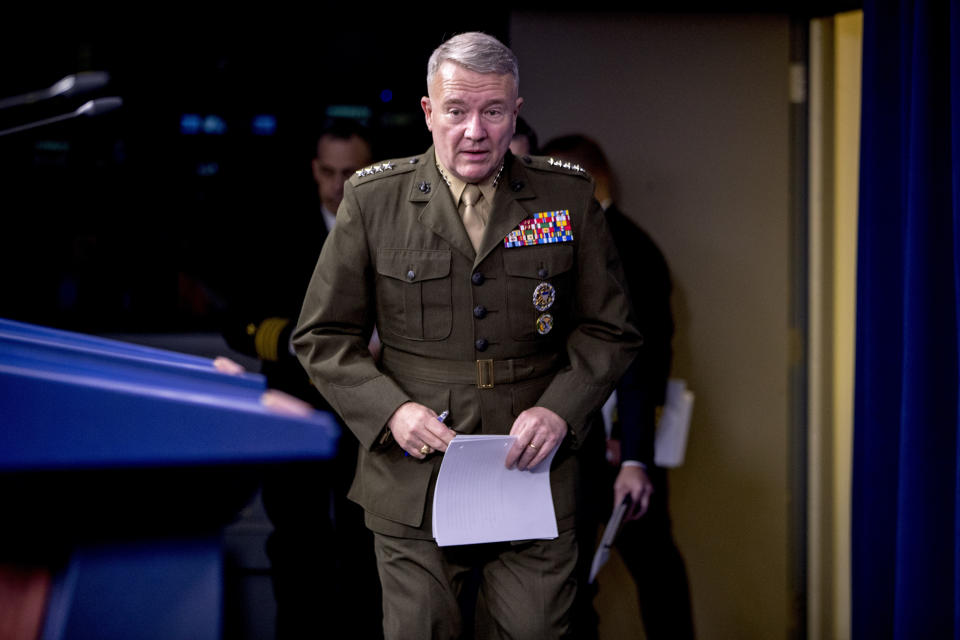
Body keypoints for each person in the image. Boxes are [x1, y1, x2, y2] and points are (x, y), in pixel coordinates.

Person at [292, 32, 642, 639]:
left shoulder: (566, 198)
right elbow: (322, 335)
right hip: (413, 475)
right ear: (429, 112)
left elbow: (610, 329)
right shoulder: (374, 201)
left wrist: (561, 412)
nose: (474, 131)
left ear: (516, 112)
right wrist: (390, 411)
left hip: (531, 474)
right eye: (456, 111)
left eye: (493, 111)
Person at [221, 118, 383, 639]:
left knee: (368, 555)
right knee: (298, 551)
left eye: (350, 172)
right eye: (329, 172)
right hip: (297, 410)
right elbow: (238, 322)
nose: (338, 186)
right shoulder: (278, 232)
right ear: (314, 170)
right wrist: (299, 342)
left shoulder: (391, 229)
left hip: (368, 420)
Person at [541, 134, 695, 639]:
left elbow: (642, 356)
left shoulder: (616, 246)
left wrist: (630, 445)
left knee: (645, 570)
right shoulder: (626, 240)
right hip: (610, 437)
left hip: (615, 441)